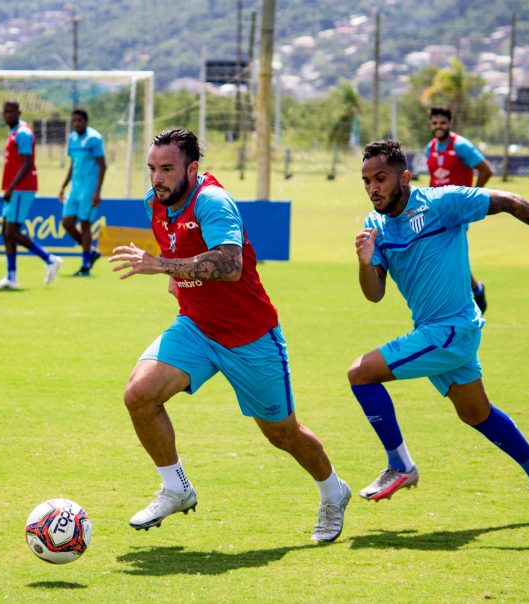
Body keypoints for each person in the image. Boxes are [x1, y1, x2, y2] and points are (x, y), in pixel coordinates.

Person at [108, 128, 350, 542]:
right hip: (197, 328)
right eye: (151, 169)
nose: (157, 178)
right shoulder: (158, 203)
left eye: (167, 169)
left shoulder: (213, 201)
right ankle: (175, 488)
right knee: (139, 395)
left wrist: (162, 266)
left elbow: (229, 263)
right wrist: (173, 276)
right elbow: (179, 251)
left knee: (281, 433)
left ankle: (333, 491)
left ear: (193, 168)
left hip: (250, 336)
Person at [350, 139, 529, 521]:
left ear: (404, 177)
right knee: (475, 413)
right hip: (435, 332)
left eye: (380, 178)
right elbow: (374, 294)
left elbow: (509, 199)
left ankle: (400, 465)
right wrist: (363, 262)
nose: (373, 188)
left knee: (360, 374)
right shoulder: (374, 226)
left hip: (451, 330)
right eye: (366, 181)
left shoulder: (441, 203)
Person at [426, 106, 493, 312]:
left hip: (455, 213)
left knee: (447, 255)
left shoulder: (461, 145)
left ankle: (460, 300)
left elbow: (486, 170)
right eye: (435, 123)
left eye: (442, 123)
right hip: (435, 211)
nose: (439, 126)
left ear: (450, 123)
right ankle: (475, 289)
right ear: (431, 124)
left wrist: (470, 200)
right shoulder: (431, 147)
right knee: (442, 255)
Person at [0, 101, 62, 290]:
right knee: (6, 231)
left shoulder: (23, 133)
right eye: (5, 111)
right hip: (15, 188)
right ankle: (11, 276)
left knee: (11, 231)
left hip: (22, 188)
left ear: (18, 113)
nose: (7, 115)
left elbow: (27, 162)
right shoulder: (14, 132)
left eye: (11, 112)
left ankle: (49, 259)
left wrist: (11, 187)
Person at [59, 109, 106, 277]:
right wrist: (64, 186)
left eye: (79, 120)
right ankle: (91, 251)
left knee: (85, 224)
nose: (76, 123)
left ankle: (85, 265)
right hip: (75, 188)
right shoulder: (72, 138)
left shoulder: (94, 138)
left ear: (85, 121)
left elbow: (102, 165)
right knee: (66, 222)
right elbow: (73, 165)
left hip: (89, 188)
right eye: (74, 121)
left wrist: (97, 192)